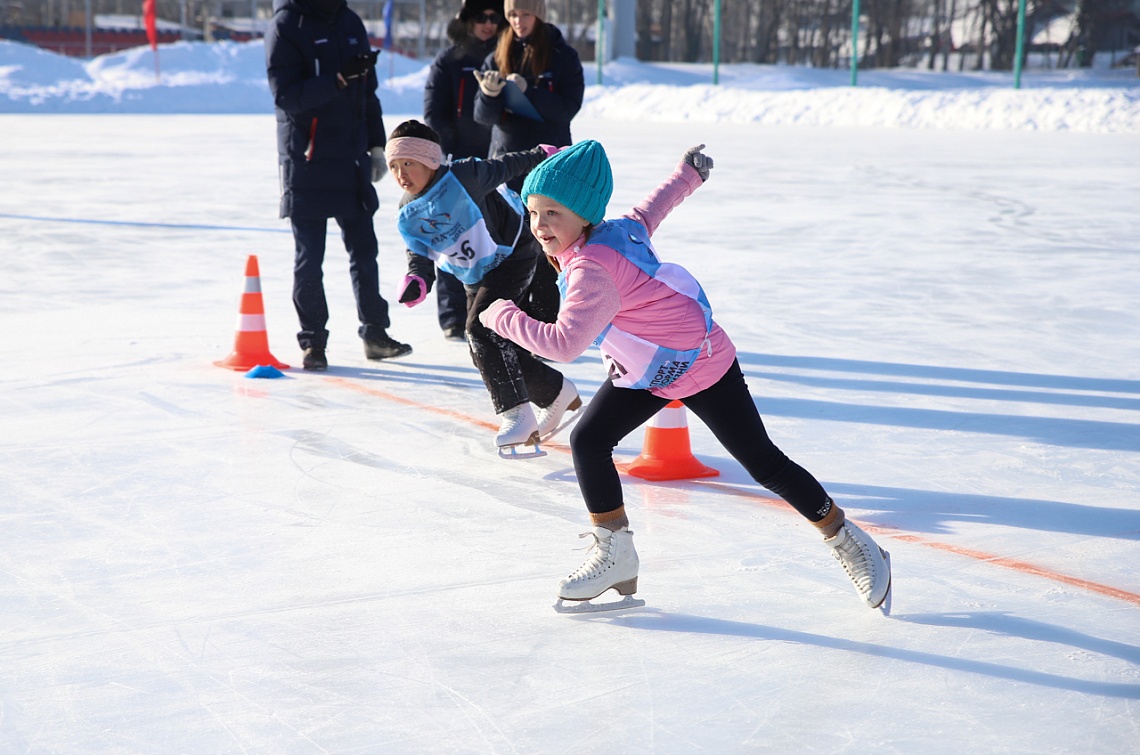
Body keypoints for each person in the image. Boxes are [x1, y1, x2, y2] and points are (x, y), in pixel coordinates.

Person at [479, 140, 893, 612]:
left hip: (701, 364)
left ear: (584, 214)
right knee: (589, 441)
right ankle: (615, 551)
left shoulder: (593, 268)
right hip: (651, 368)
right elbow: (649, 211)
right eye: (533, 212)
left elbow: (564, 344)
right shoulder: (616, 231)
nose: (540, 226)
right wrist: (686, 176)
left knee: (764, 464)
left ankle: (850, 541)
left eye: (553, 212)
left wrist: (502, 317)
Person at [385, 120, 580, 454]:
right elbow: (418, 251)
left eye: (408, 163)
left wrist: (540, 154)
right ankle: (554, 391)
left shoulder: (464, 177)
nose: (401, 174)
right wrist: (417, 279)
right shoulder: (408, 210)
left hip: (512, 252)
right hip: (475, 273)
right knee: (484, 349)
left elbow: (505, 165)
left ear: (431, 161)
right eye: (393, 166)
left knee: (479, 329)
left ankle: (517, 416)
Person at [266, 0, 411, 371]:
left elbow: (369, 93)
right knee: (309, 258)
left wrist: (379, 146)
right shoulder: (286, 24)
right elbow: (286, 96)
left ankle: (375, 333)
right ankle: (314, 342)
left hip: (351, 159)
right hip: (307, 160)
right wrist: (337, 80)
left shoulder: (349, 21)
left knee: (365, 251)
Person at [472, 0, 583, 325]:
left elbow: (567, 108)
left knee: (550, 241)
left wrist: (529, 91)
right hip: (508, 162)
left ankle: (549, 320)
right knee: (508, 241)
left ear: (539, 14)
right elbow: (483, 117)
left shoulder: (563, 56)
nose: (517, 21)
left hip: (549, 163)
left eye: (524, 14)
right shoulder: (498, 53)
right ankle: (509, 319)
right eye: (512, 15)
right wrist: (489, 94)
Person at [423, 0, 508, 343]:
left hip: (499, 160)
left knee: (499, 238)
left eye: (494, 18)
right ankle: (453, 315)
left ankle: (494, 311)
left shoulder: (508, 57)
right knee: (453, 237)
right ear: (467, 21)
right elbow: (433, 112)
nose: (487, 24)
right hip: (459, 163)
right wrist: (450, 148)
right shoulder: (450, 60)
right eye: (480, 18)